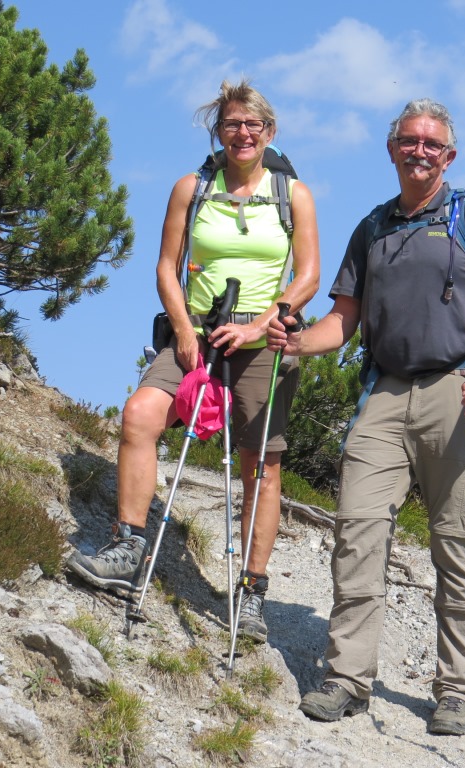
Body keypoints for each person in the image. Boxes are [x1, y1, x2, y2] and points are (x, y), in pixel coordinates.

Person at [267, 98, 465, 736]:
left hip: (460, 391)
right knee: (357, 530)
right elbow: (343, 320)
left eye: (432, 144)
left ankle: (457, 691)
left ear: (449, 156)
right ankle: (347, 678)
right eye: (409, 141)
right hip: (383, 393)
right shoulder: (372, 227)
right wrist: (296, 342)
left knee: (457, 544)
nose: (419, 151)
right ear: (391, 149)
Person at [67, 79, 320, 644]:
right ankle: (128, 547)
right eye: (232, 124)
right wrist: (183, 329)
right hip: (196, 336)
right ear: (218, 131)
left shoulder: (292, 194)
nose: (243, 133)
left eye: (253, 124)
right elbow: (166, 265)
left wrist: (259, 325)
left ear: (270, 131)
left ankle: (251, 590)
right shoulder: (193, 188)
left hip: (263, 344)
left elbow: (307, 277)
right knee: (139, 415)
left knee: (261, 466)